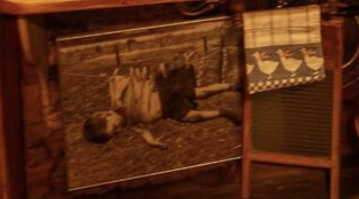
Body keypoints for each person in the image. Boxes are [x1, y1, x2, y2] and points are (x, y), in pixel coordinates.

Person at [82, 58, 241, 149]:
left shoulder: (116, 101)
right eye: (115, 133)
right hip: (168, 110)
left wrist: (117, 92)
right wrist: (150, 141)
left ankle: (233, 87)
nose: (118, 131)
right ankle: (225, 113)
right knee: (193, 117)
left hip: (165, 91)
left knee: (201, 93)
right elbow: (143, 130)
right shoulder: (129, 123)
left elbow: (120, 81)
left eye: (114, 128)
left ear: (105, 115)